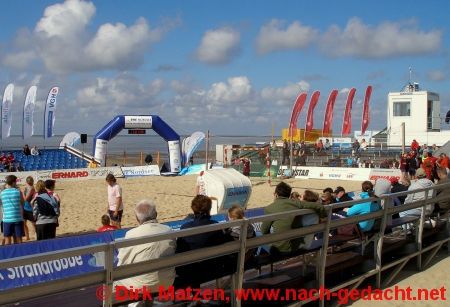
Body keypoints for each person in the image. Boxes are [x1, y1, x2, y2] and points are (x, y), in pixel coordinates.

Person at [174, 195, 234, 288]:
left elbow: (180, 251)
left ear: (193, 208)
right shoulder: (215, 226)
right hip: (212, 269)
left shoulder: (185, 228)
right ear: (209, 209)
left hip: (191, 271)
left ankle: (196, 298)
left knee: (192, 262)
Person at [115, 199, 175, 291]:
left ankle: (134, 304)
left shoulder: (132, 234)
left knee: (113, 279)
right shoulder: (168, 230)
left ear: (137, 218)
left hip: (141, 284)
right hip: (168, 280)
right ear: (156, 215)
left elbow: (122, 261)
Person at [260, 182, 327, 256]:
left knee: (258, 238)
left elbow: (264, 231)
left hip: (279, 250)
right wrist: (323, 218)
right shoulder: (296, 203)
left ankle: (262, 265)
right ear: (289, 195)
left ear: (275, 194)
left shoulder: (269, 208)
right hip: (295, 247)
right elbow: (319, 206)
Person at [0, 175, 24, 245]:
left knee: (7, 240)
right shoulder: (18, 192)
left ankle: (9, 255)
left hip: (7, 219)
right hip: (17, 218)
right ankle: (20, 254)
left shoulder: (2, 193)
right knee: (19, 240)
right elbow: (23, 203)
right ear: (13, 182)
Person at [22, 176, 36, 241]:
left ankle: (36, 235)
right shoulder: (26, 188)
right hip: (25, 207)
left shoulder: (32, 189)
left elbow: (26, 199)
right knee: (24, 223)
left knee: (33, 223)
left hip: (30, 208)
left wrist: (22, 193)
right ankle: (27, 236)